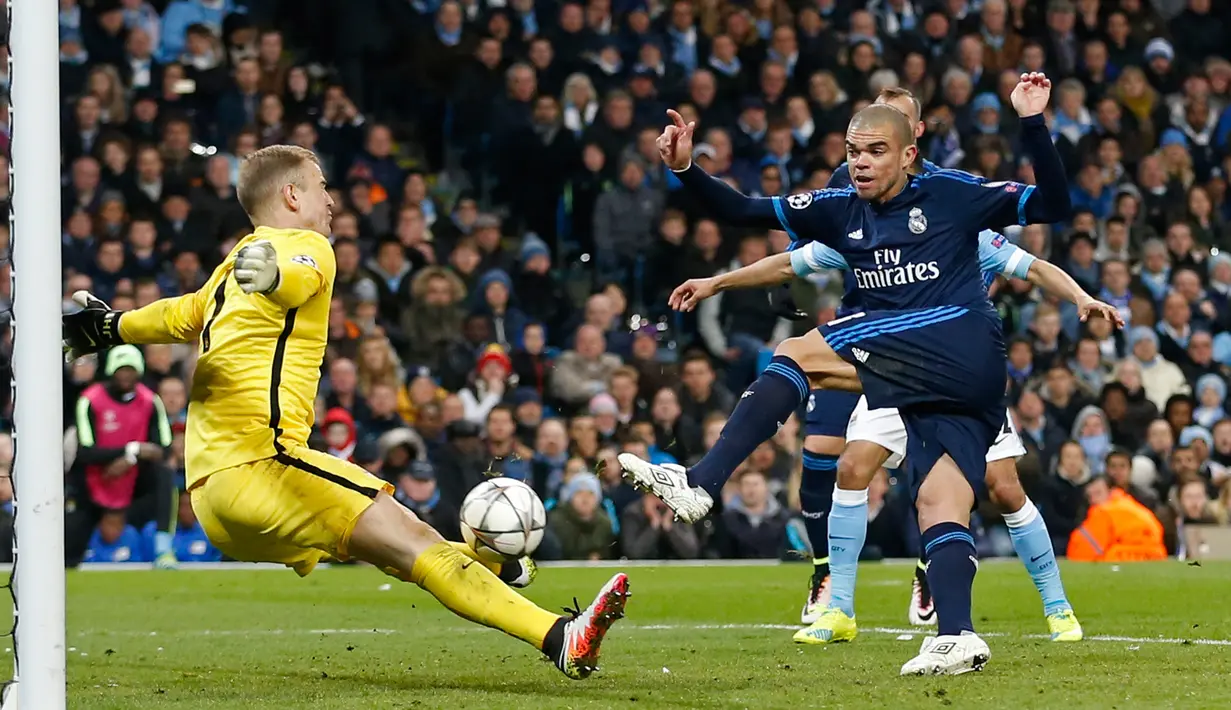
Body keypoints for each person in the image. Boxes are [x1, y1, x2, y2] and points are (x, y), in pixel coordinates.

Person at [61, 144, 629, 681]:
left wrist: (112, 327)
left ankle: (497, 565)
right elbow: (299, 273)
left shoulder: (234, 265)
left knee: (399, 550)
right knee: (413, 543)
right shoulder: (303, 248)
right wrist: (279, 279)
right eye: (321, 187)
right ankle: (561, 638)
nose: (331, 200)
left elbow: (183, 314)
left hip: (213, 499)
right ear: (290, 196)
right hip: (267, 466)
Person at [611, 74, 1070, 675]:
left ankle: (701, 482)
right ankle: (957, 635)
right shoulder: (838, 210)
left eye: (876, 151)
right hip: (958, 381)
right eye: (853, 151)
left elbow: (1055, 205)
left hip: (952, 341)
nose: (861, 162)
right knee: (938, 504)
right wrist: (685, 169)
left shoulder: (954, 194)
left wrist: (1033, 122)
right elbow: (743, 211)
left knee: (798, 352)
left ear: (910, 154)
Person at [66, 345, 177, 569]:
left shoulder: (150, 401)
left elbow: (163, 447)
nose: (126, 375)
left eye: (131, 370)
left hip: (133, 481)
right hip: (96, 480)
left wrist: (131, 457)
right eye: (121, 370)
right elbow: (86, 451)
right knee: (70, 556)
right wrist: (133, 449)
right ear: (111, 371)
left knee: (164, 474)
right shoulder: (90, 400)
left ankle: (163, 547)